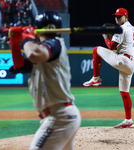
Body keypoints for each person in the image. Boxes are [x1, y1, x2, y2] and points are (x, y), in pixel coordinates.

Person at [9, 10, 81, 150]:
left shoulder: (54, 44)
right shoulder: (48, 52)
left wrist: (28, 37)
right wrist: (15, 41)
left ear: (38, 30)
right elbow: (20, 65)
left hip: (59, 118)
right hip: (64, 116)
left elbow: (33, 54)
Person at [83, 8, 134, 128]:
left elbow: (111, 47)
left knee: (96, 49)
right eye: (116, 16)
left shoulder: (121, 28)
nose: (117, 18)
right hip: (131, 64)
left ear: (126, 17)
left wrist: (104, 35)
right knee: (124, 92)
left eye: (120, 16)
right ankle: (129, 120)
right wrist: (111, 35)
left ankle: (96, 78)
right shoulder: (132, 28)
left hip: (123, 60)